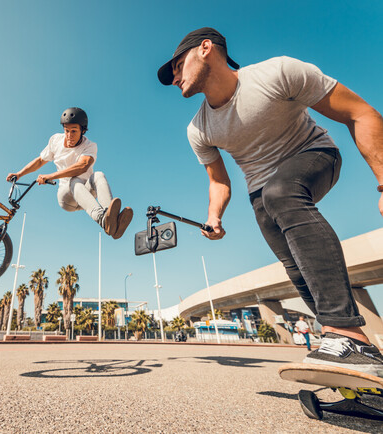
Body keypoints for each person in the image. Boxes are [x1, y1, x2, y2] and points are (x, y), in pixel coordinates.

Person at [157, 27, 383, 376]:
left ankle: (348, 336)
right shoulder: (198, 129)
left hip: (314, 154)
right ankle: (345, 349)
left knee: (282, 194)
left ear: (205, 49)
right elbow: (219, 181)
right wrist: (214, 216)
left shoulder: (277, 72)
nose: (174, 78)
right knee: (293, 262)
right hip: (261, 190)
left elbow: (361, 113)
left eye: (177, 65)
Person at [7, 107, 133, 239]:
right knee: (74, 181)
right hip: (67, 198)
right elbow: (40, 161)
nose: (69, 136)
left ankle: (111, 219)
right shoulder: (55, 140)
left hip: (87, 195)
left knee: (98, 175)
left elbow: (82, 166)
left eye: (74, 131)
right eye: (67, 131)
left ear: (83, 131)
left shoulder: (90, 146)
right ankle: (103, 219)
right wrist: (19, 174)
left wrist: (50, 176)